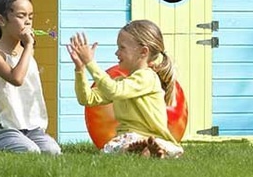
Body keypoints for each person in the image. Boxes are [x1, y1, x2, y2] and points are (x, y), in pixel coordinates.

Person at [67, 19, 183, 158]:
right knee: (127, 143)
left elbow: (114, 90)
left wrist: (91, 63)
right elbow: (87, 99)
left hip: (154, 137)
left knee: (129, 145)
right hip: (130, 137)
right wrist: (80, 69)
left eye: (122, 48)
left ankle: (144, 149)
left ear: (143, 52)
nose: (117, 53)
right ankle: (143, 150)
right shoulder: (121, 83)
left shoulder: (148, 77)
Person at [0, 0, 61, 155]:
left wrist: (28, 48)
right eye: (21, 16)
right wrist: (29, 46)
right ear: (1, 20)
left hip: (31, 127)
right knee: (30, 152)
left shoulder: (26, 51)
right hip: (5, 127)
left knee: (53, 151)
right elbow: (16, 78)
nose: (27, 22)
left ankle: (15, 143)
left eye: (30, 17)